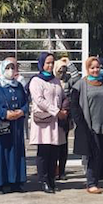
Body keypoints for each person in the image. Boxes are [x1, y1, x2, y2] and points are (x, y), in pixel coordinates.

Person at [71, 56, 103, 194]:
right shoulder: (80, 85)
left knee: (101, 154)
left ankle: (96, 181)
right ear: (87, 69)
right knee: (92, 154)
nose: (95, 70)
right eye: (92, 68)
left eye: (98, 67)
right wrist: (81, 124)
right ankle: (91, 183)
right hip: (88, 126)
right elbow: (74, 106)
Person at [0, 57, 29, 194]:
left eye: (13, 68)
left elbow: (26, 102)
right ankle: (0, 183)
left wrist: (21, 111)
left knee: (17, 152)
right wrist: (5, 113)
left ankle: (16, 181)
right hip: (2, 123)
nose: (10, 71)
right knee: (1, 152)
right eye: (7, 68)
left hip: (17, 124)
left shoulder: (18, 85)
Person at [29, 52, 67, 194]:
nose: (50, 66)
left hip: (56, 122)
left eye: (52, 63)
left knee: (54, 152)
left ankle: (52, 179)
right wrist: (56, 111)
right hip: (44, 121)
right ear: (42, 64)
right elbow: (39, 100)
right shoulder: (36, 81)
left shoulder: (56, 81)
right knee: (44, 152)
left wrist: (65, 107)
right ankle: (43, 180)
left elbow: (62, 96)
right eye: (47, 63)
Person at [54, 56, 81, 180]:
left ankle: (62, 171)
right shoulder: (51, 80)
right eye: (60, 70)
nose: (62, 72)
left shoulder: (68, 80)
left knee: (63, 145)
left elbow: (77, 79)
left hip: (64, 116)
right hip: (52, 116)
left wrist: (70, 64)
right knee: (52, 145)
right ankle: (53, 170)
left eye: (64, 70)